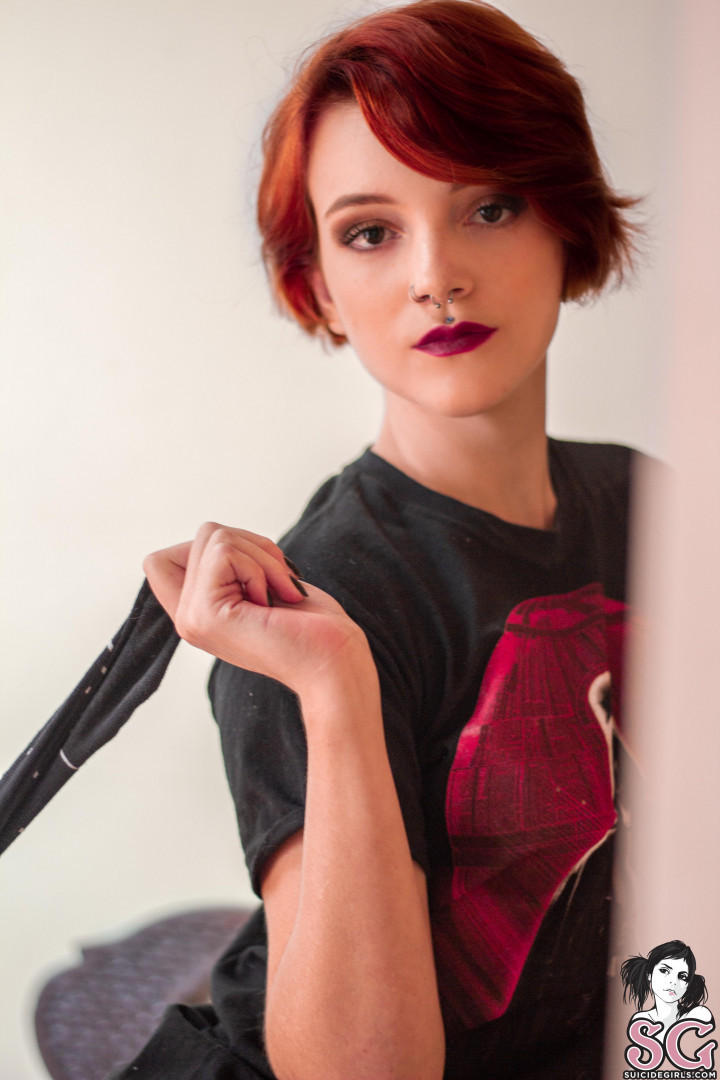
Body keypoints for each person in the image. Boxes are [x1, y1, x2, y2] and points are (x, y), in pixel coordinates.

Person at [115, 1, 641, 1077]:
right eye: (371, 231)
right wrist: (336, 686)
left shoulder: (649, 505)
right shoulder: (315, 602)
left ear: (566, 223)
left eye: (490, 207)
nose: (435, 274)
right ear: (317, 284)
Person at [621, 941, 712, 1042]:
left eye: (682, 976)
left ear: (688, 984)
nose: (673, 982)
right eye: (664, 971)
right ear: (649, 975)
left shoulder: (698, 1014)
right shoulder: (641, 1020)